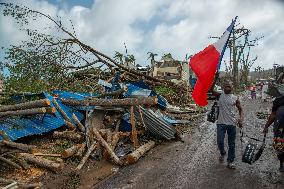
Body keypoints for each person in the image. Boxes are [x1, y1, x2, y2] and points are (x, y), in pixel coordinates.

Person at [211, 81, 243, 169]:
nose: (227, 86)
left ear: (232, 87)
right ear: (223, 87)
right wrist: (215, 78)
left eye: (229, 85)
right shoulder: (220, 95)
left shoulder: (235, 98)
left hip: (232, 123)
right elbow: (210, 90)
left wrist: (240, 119)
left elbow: (240, 110)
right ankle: (222, 152)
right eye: (225, 85)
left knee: (231, 144)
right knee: (220, 141)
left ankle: (230, 161)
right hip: (221, 123)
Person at [263, 94, 284, 172]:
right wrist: (266, 126)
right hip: (279, 129)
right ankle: (281, 163)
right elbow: (273, 115)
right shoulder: (278, 100)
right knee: (280, 147)